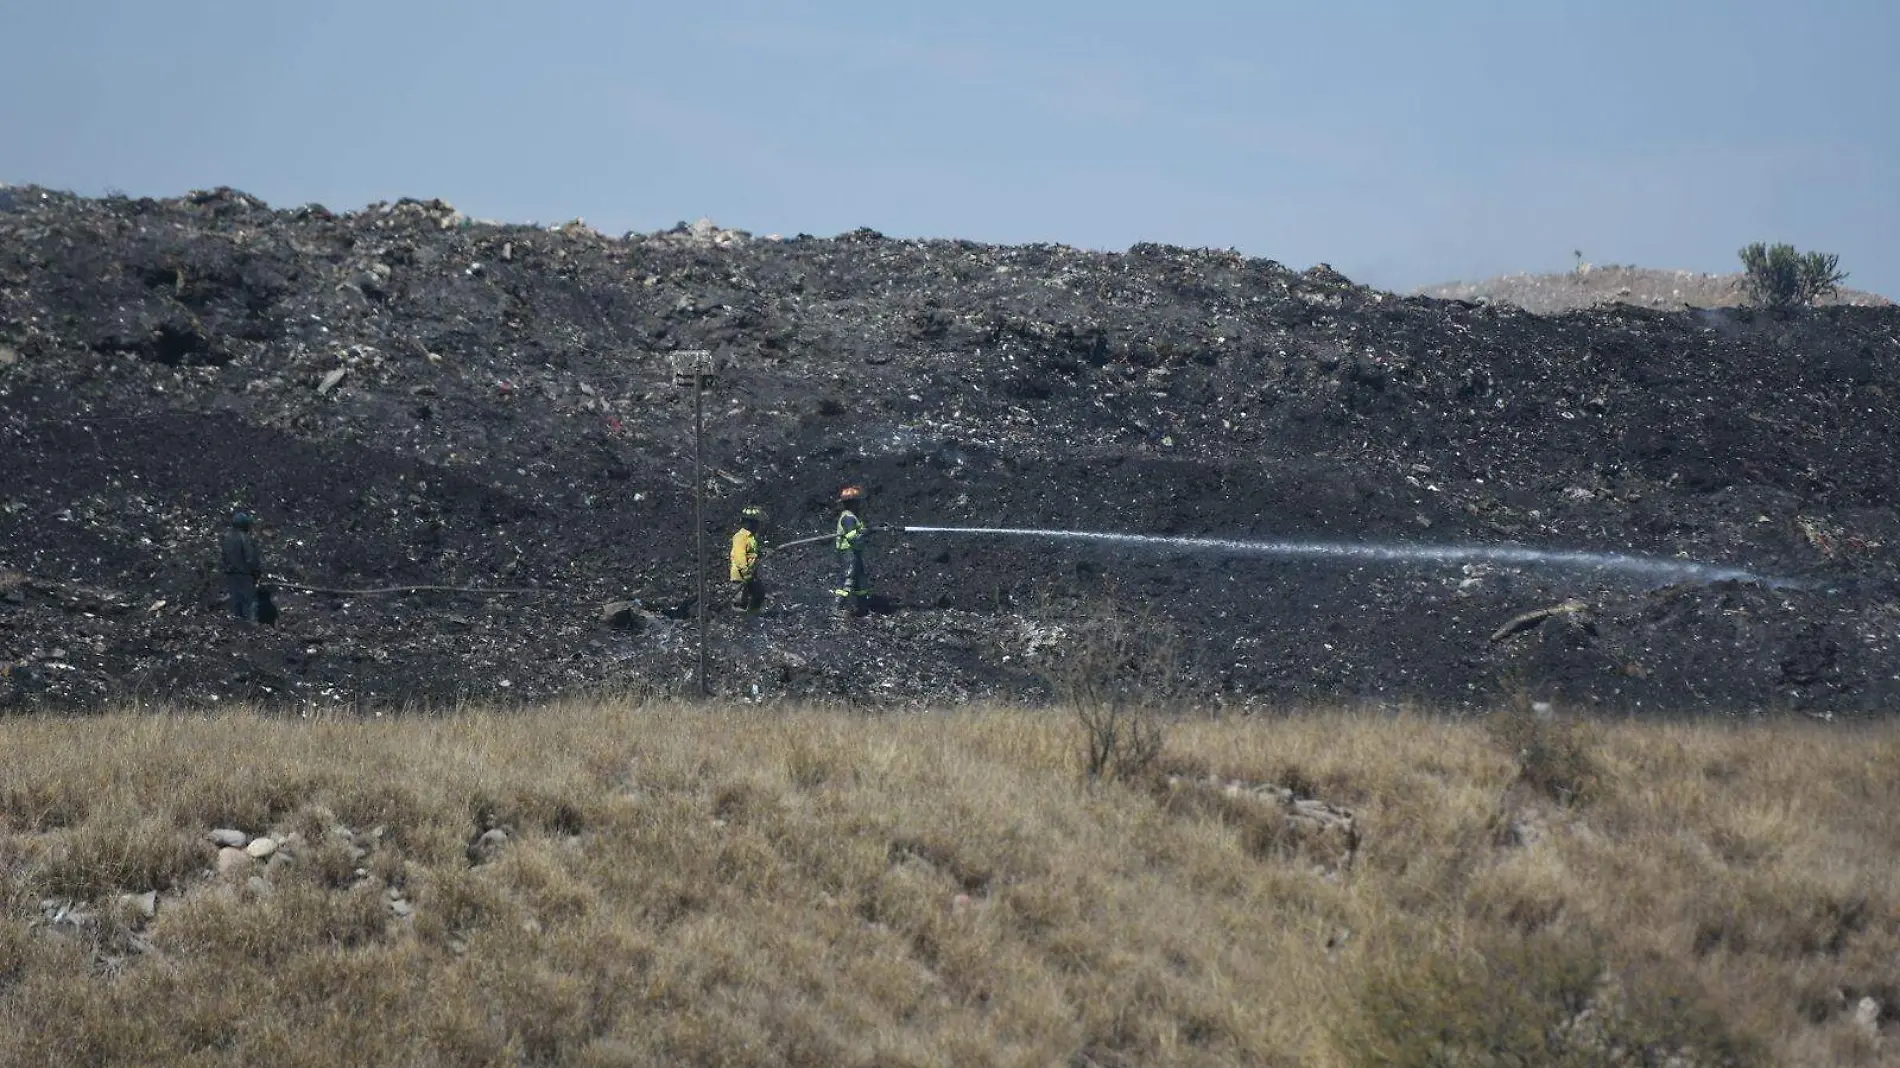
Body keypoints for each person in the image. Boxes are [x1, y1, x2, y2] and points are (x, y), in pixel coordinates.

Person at [833, 486, 871, 617]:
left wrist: (866, 532)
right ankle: (837, 607)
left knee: (860, 579)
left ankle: (863, 607)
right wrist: (864, 534)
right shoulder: (848, 518)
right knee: (848, 577)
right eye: (857, 501)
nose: (859, 504)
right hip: (849, 552)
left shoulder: (854, 517)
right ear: (852, 503)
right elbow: (852, 537)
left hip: (855, 552)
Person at [220, 511, 264, 621]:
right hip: (244, 575)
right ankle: (251, 629)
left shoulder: (227, 538)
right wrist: (256, 573)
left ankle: (238, 629)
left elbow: (224, 557)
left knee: (236, 604)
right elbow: (250, 558)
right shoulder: (245, 538)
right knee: (249, 604)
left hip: (231, 575)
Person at [730, 505, 766, 615]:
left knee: (759, 593)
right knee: (740, 599)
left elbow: (752, 553)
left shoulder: (752, 538)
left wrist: (762, 553)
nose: (758, 526)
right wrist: (745, 572)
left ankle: (753, 614)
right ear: (749, 522)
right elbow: (739, 557)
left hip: (751, 574)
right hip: (741, 575)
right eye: (756, 523)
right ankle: (739, 619)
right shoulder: (740, 537)